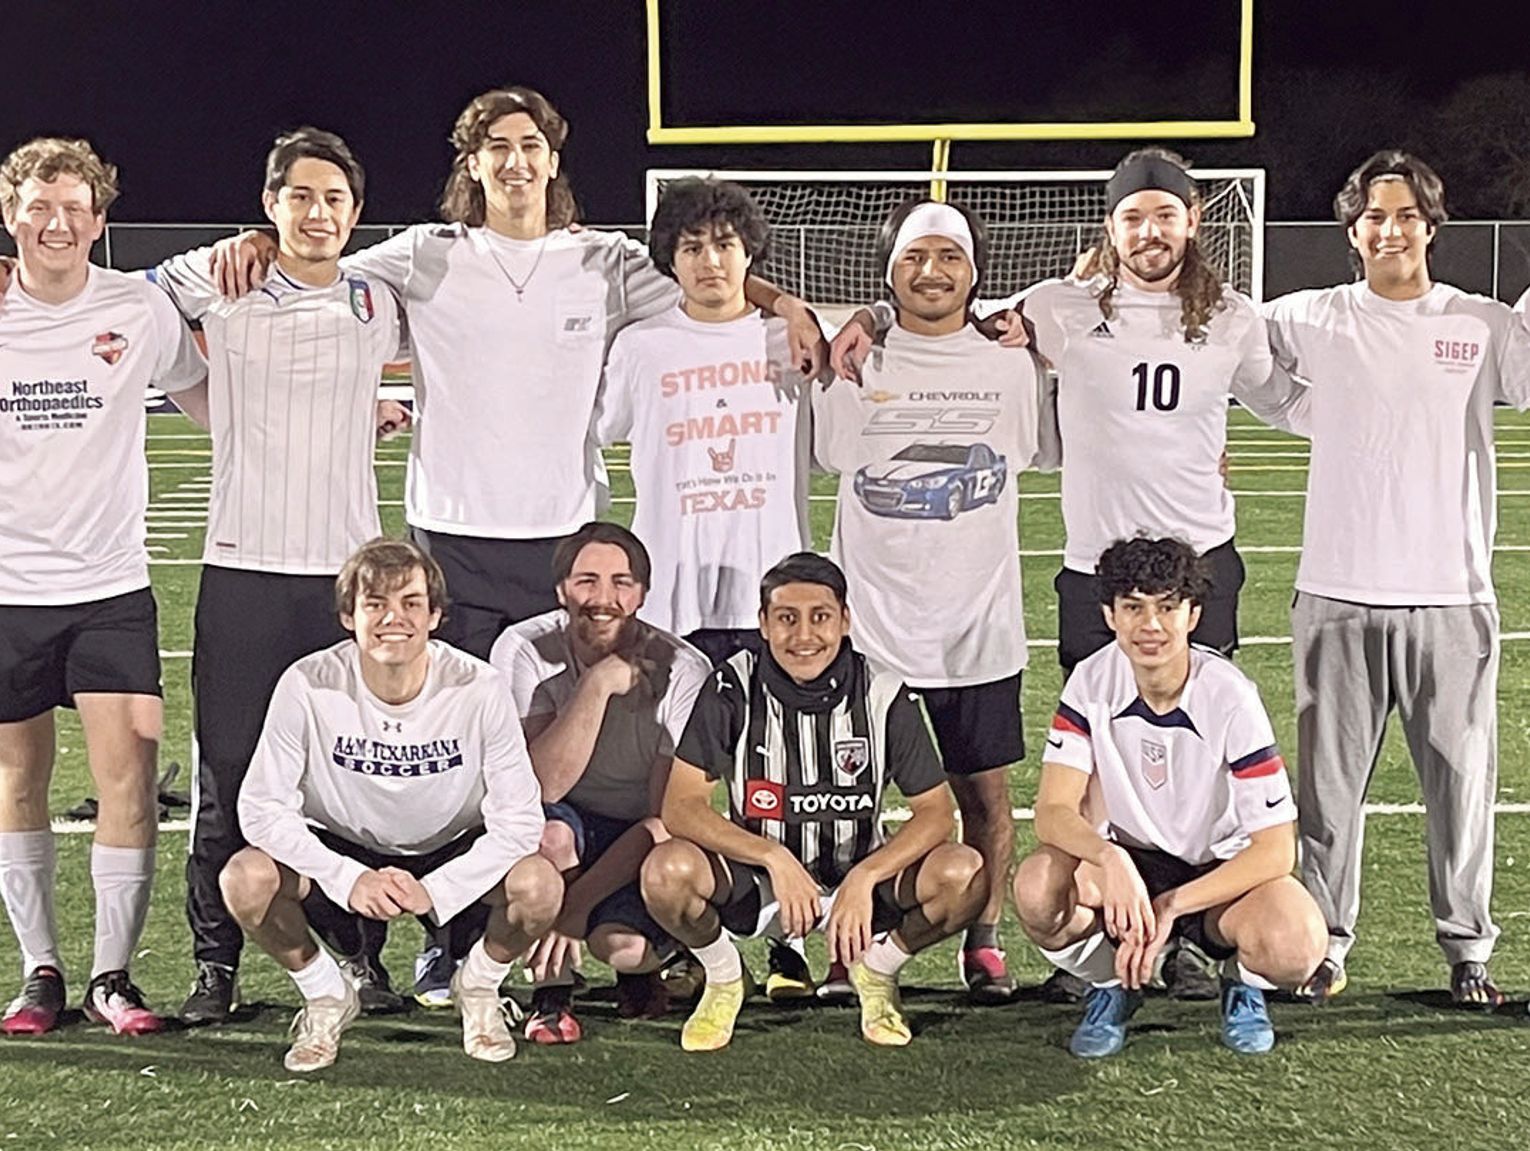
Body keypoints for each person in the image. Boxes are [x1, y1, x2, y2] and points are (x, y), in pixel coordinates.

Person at [212, 86, 824, 1001]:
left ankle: (587, 925)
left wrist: (793, 304)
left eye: (529, 143)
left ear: (552, 158)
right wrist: (259, 242)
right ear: (472, 163)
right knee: (443, 755)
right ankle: (440, 934)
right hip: (453, 536)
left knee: (550, 760)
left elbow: (720, 277)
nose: (514, 160)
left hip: (562, 542)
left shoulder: (604, 261)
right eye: (494, 145)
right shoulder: (426, 255)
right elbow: (324, 265)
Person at [142, 127, 409, 1025]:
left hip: (346, 582)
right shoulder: (224, 281)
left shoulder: (378, 297)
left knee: (347, 777)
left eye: (334, 199)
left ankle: (359, 955)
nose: (317, 213)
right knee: (227, 773)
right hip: (245, 571)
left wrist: (387, 405)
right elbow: (135, 302)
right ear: (270, 205)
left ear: (356, 213)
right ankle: (214, 965)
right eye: (300, 196)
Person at [1263, 150, 1530, 1007]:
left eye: (1407, 214)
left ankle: (1467, 949)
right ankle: (1323, 944)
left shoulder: (1481, 322)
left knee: (1460, 789)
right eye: (1375, 215)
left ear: (1430, 225)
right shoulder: (1313, 316)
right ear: (1352, 231)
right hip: (1337, 591)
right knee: (1329, 794)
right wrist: (1292, 408)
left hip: (1452, 594)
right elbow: (1225, 347)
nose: (1391, 228)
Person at [812, 197, 1051, 1004]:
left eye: (950, 257)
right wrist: (866, 322)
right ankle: (856, 939)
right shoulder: (858, 360)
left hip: (979, 628)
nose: (932, 272)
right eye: (915, 258)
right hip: (877, 633)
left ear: (974, 273)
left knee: (985, 796)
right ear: (890, 273)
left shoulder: (1007, 363)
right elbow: (838, 455)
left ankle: (982, 942)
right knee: (856, 798)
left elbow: (1023, 452)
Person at [0, 137, 206, 1036]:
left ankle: (112, 976)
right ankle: (39, 971)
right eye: (40, 205)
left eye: (75, 207)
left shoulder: (138, 306)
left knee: (126, 785)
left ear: (100, 218)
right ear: (12, 214)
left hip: (112, 588)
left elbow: (207, 394)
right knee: (17, 782)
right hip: (6, 589)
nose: (57, 222)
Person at [594, 176, 816, 1001]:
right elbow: (599, 429)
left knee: (782, 776)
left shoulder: (791, 341)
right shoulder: (642, 346)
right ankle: (664, 936)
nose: (710, 260)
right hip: (676, 600)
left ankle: (792, 937)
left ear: (749, 252)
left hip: (771, 601)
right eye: (692, 246)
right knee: (664, 779)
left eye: (725, 243)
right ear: (669, 259)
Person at [220, 538, 560, 1071]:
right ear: (347, 616)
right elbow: (262, 808)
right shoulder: (307, 683)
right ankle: (327, 996)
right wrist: (345, 876)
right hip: (345, 845)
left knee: (539, 886)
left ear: (436, 616)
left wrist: (436, 890)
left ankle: (479, 988)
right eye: (374, 604)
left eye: (410, 603)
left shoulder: (479, 687)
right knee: (246, 878)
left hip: (450, 846)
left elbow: (519, 821)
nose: (392, 619)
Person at [641, 552, 985, 1050]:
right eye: (786, 618)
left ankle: (876, 972)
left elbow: (934, 812)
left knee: (964, 872)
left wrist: (867, 875)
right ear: (762, 624)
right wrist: (773, 857)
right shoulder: (731, 688)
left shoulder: (885, 693)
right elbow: (682, 805)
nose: (804, 635)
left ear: (845, 620)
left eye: (820, 617)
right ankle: (723, 978)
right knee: (665, 872)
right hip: (760, 884)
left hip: (860, 883)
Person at [1014, 537, 1326, 1058]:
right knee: (1038, 888)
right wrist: (1109, 859)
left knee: (1298, 944)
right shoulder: (1091, 681)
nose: (1150, 625)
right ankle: (1113, 985)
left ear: (1193, 614)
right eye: (1133, 607)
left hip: (1218, 873)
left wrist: (1168, 907)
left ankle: (1240, 983)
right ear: (1110, 616)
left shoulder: (1229, 696)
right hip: (1133, 861)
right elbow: (1052, 812)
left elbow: (1277, 851)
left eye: (1166, 607)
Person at [491, 522, 710, 1042]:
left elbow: (664, 818)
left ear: (642, 595)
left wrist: (574, 910)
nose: (603, 598)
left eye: (622, 582)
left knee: (625, 949)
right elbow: (540, 788)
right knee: (551, 834)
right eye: (587, 581)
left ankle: (659, 956)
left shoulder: (684, 669)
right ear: (561, 589)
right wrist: (595, 686)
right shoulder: (523, 648)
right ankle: (551, 994)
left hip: (638, 834)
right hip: (559, 822)